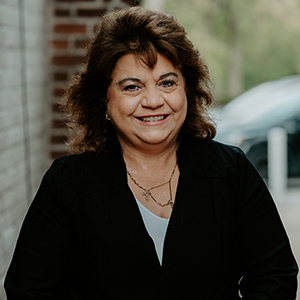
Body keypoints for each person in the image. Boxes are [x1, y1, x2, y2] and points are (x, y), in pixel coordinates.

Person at [4, 6, 298, 300]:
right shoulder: (67, 183)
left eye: (167, 83)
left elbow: (275, 276)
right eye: (132, 87)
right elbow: (28, 290)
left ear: (187, 89)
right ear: (104, 101)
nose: (154, 101)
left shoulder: (230, 170)